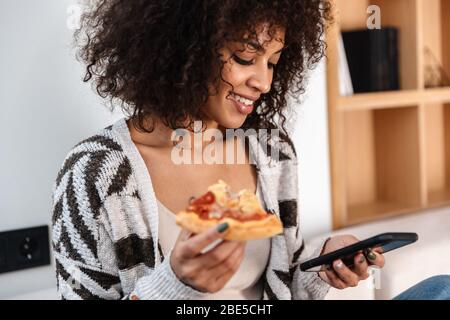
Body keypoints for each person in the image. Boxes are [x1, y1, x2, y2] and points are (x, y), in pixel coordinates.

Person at [51, 0, 450, 300]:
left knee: (440, 289)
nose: (263, 82)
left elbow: (284, 275)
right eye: (245, 57)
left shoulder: (271, 151)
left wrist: (322, 261)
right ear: (179, 49)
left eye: (273, 62)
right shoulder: (94, 173)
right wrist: (175, 285)